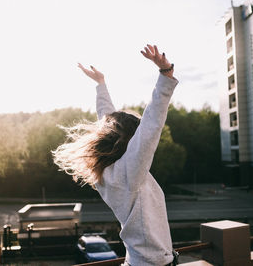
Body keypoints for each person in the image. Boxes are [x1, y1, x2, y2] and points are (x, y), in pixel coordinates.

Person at [52, 44, 179, 266]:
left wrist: (101, 85)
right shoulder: (130, 173)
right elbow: (151, 126)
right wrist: (165, 75)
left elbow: (107, 122)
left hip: (139, 261)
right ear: (128, 142)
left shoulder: (108, 172)